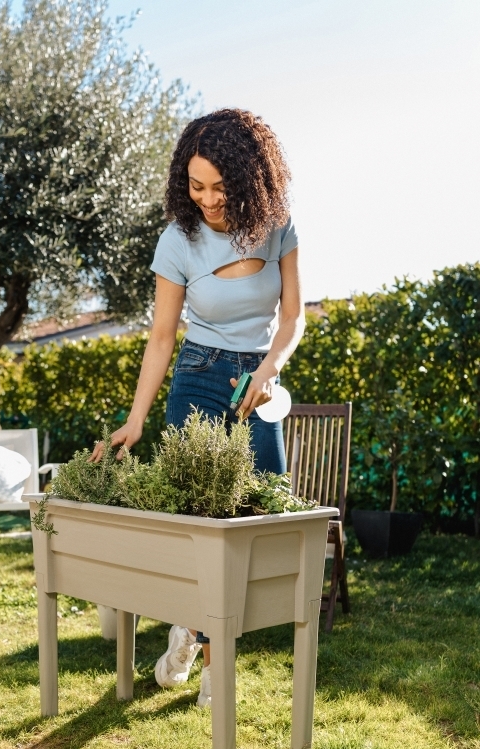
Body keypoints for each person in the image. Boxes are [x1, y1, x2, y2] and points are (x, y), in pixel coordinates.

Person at [91, 108, 304, 707]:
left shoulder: (279, 225)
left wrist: (268, 369)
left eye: (219, 186)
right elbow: (162, 338)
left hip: (258, 384)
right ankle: (215, 664)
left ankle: (191, 626)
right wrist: (135, 420)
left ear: (249, 177)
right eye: (195, 185)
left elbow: (293, 318)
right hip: (200, 378)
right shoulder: (177, 239)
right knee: (203, 520)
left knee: (262, 514)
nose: (207, 199)